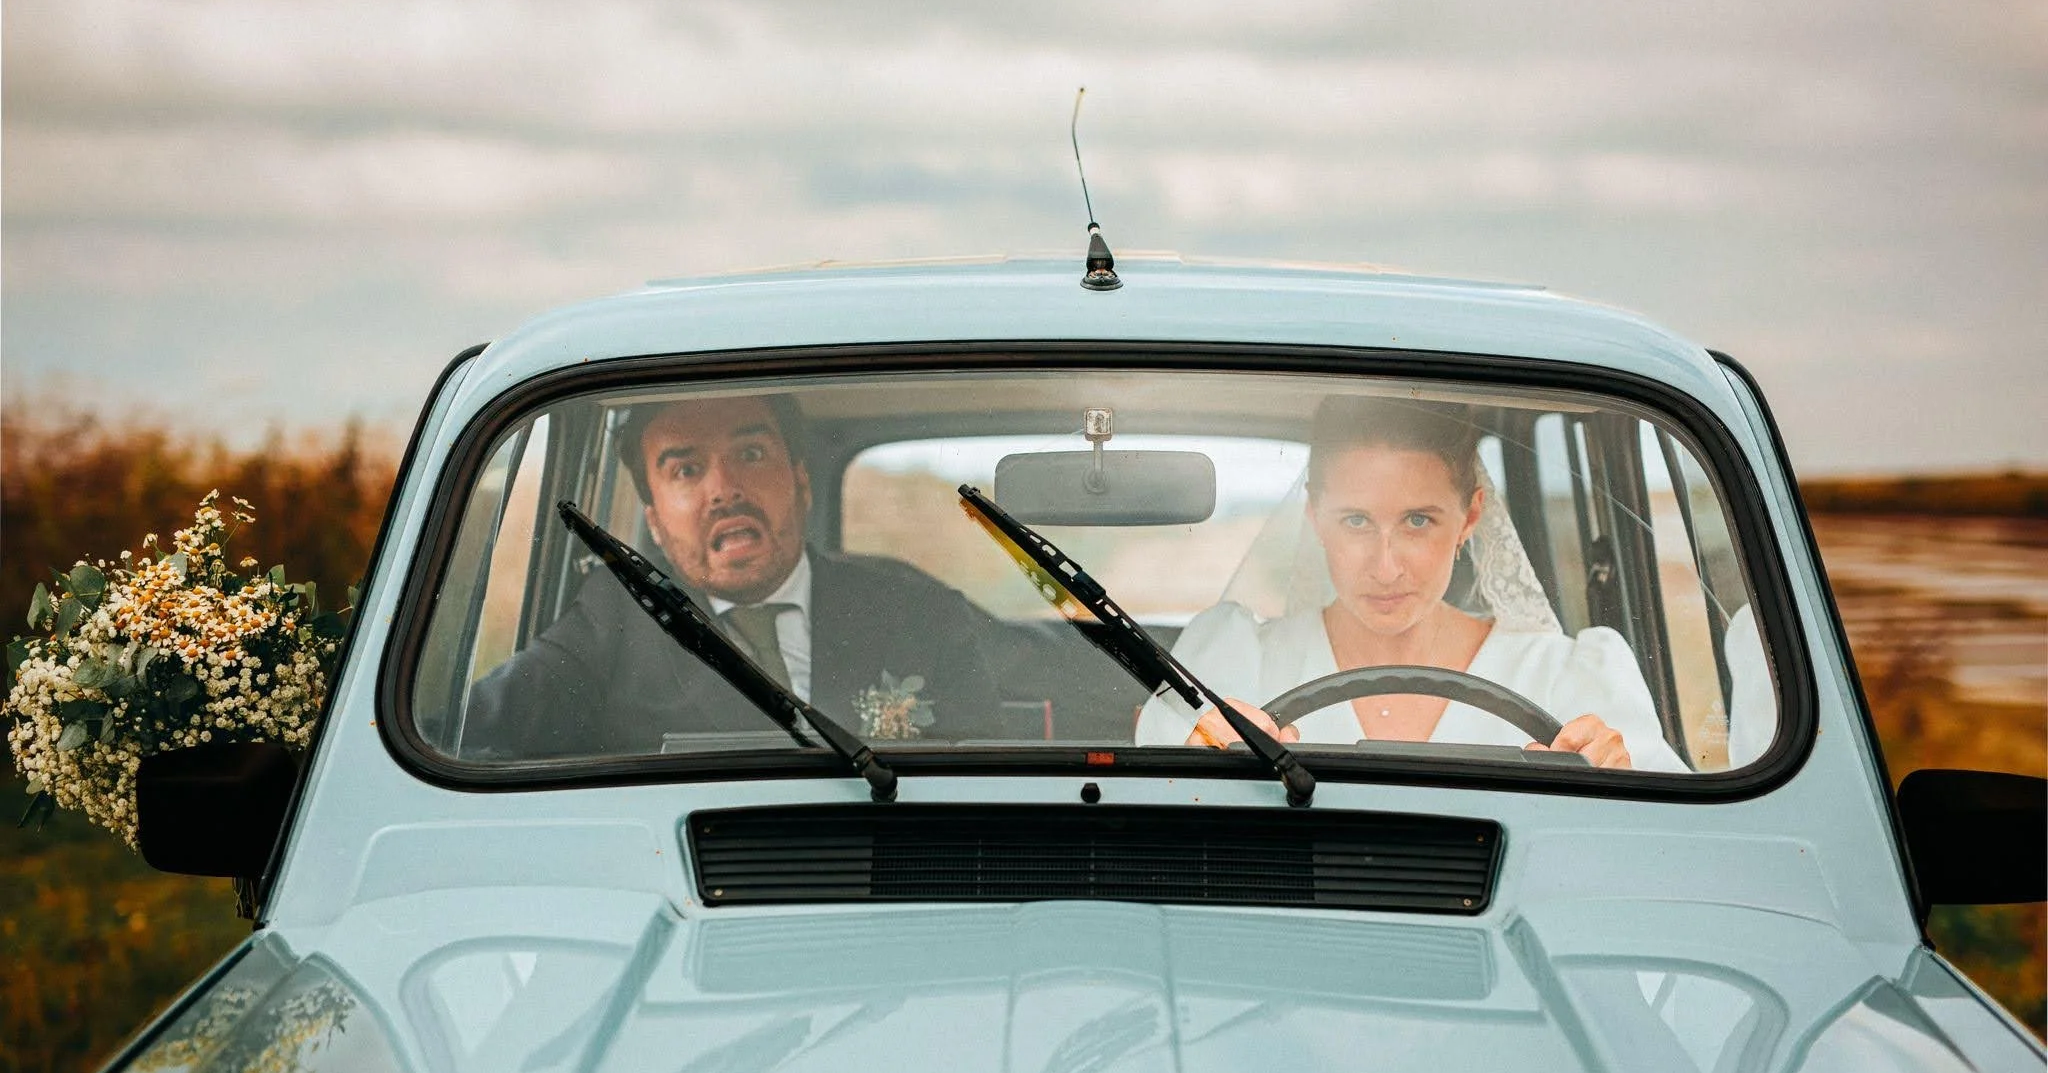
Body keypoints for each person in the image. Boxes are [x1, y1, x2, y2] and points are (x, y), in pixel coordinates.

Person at [1135, 395, 1687, 771]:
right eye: (1356, 521)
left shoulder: (1569, 679)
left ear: (1470, 518)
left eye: (1418, 521)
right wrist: (1195, 771)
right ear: (1314, 517)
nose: (1386, 567)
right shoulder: (1234, 666)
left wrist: (1625, 777)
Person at [462, 392, 1002, 758]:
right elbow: (458, 739)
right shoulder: (614, 619)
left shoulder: (913, 609)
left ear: (800, 482)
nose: (724, 489)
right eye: (686, 470)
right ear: (654, 520)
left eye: (750, 453)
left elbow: (985, 779)